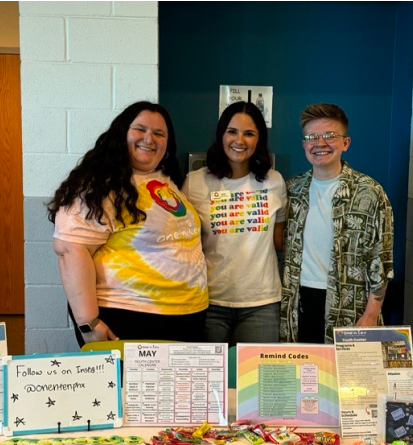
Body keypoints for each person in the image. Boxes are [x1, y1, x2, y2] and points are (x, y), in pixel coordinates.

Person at [49, 101, 208, 346]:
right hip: (128, 316)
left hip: (186, 316)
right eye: (140, 129)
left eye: (159, 133)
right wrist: (88, 323)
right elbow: (70, 251)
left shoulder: (165, 178)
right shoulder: (98, 186)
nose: (149, 139)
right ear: (122, 133)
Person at [280, 102, 393, 344]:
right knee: (302, 375)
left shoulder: (369, 192)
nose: (320, 143)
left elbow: (381, 258)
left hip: (351, 305)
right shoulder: (292, 190)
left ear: (345, 143)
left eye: (330, 136)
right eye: (311, 137)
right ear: (304, 145)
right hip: (298, 302)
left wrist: (371, 314)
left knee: (345, 379)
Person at [182, 102, 286, 344]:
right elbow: (184, 245)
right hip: (209, 302)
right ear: (221, 135)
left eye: (249, 133)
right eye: (232, 131)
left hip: (261, 303)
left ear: (259, 139)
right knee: (209, 381)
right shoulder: (195, 182)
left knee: (256, 382)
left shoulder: (274, 181)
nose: (240, 140)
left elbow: (278, 242)